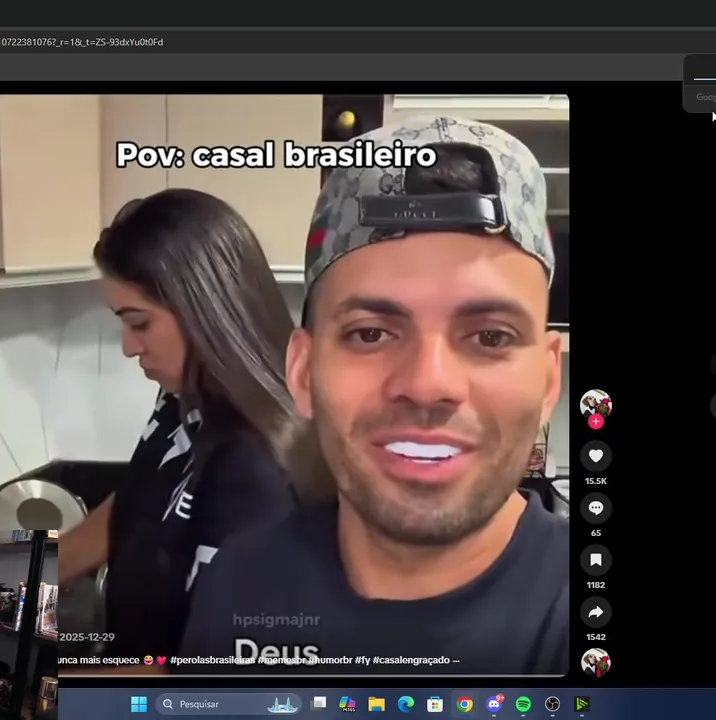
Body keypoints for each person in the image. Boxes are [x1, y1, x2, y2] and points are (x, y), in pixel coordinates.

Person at [176, 117, 569, 675]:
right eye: (371, 334)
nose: (429, 385)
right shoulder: (239, 582)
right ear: (303, 371)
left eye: (490, 337)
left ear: (549, 380)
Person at [56, 189, 300, 663]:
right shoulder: (182, 394)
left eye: (140, 324)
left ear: (203, 310)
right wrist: (26, 583)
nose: (128, 347)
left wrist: (40, 689)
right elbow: (140, 501)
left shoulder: (257, 466)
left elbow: (217, 673)